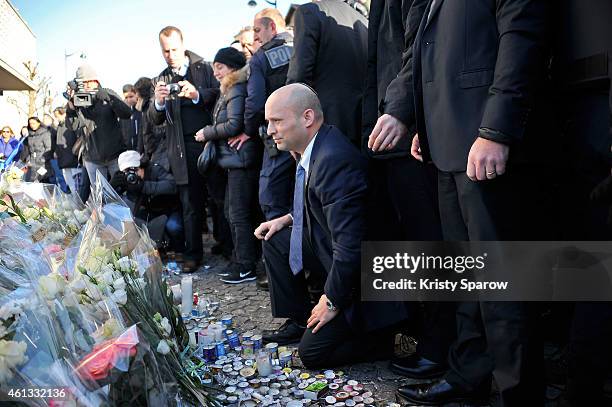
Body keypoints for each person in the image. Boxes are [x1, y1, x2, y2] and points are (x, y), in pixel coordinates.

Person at [368, 1, 550, 405]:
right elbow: (421, 54)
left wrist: (495, 131)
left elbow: (520, 42)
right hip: (447, 145)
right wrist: (413, 118)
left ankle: (516, 393)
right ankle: (469, 375)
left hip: (486, 141)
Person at [255, 84, 400, 368]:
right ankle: (300, 318)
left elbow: (351, 248)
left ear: (307, 118)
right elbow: (323, 206)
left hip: (368, 276)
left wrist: (331, 301)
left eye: (277, 121)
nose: (270, 130)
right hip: (336, 253)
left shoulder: (334, 160)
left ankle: (381, 340)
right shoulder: (315, 148)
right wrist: (288, 218)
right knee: (275, 238)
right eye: (268, 122)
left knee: (312, 355)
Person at [364, 0, 455, 381]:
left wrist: (405, 112)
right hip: (391, 132)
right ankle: (425, 337)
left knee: (429, 246)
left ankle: (439, 347)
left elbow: (417, 47)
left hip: (413, 130)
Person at [147, 26, 220, 273]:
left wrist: (196, 94)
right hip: (181, 149)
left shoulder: (204, 68)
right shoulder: (161, 79)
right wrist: (158, 102)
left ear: (183, 44)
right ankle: (193, 255)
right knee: (189, 204)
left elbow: (220, 94)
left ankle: (230, 248)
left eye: (174, 49)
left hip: (212, 142)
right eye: (165, 51)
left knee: (221, 199)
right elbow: (153, 119)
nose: (170, 55)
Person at [195, 47, 261, 284]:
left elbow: (234, 124)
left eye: (219, 67)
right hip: (234, 160)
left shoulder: (236, 89)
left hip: (241, 160)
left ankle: (246, 266)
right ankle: (241, 259)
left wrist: (207, 133)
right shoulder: (228, 90)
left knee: (238, 214)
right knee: (232, 213)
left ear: (232, 67)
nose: (215, 73)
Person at [286, 0, 368, 146]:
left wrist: (290, 124)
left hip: (324, 124)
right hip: (363, 121)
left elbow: (300, 74)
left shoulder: (309, 12)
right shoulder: (362, 20)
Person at [66, 63, 132, 186]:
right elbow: (72, 126)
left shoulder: (108, 93)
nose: (84, 86)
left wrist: (109, 99)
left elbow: (127, 113)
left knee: (122, 193)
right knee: (100, 196)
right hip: (92, 158)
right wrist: (71, 107)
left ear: (95, 81)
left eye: (87, 82)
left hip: (115, 156)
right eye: (81, 84)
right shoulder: (79, 100)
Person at [110, 150, 184, 253]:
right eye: (127, 172)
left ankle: (179, 249)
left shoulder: (155, 170)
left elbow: (172, 186)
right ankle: (151, 250)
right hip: (150, 212)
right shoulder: (128, 180)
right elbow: (111, 201)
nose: (132, 175)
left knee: (173, 226)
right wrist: (112, 186)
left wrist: (144, 186)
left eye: (134, 170)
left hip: (168, 210)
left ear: (141, 165)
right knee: (129, 223)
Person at [53, 107, 81, 194]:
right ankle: (74, 197)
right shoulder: (60, 125)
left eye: (57, 116)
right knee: (69, 181)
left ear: (63, 114)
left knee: (77, 180)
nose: (56, 118)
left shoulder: (71, 122)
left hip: (73, 157)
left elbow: (78, 138)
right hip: (63, 158)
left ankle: (79, 199)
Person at [22, 117, 53, 182]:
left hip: (43, 162)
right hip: (33, 163)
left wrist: (43, 159)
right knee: (33, 181)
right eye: (30, 123)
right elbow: (29, 149)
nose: (32, 125)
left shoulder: (45, 133)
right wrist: (28, 160)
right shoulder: (30, 135)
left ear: (39, 123)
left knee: (44, 180)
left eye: (34, 123)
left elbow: (49, 148)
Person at [120, 84, 142, 152]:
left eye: (131, 96)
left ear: (136, 95)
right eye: (126, 97)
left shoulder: (142, 110)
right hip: (128, 151)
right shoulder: (122, 114)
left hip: (141, 151)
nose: (129, 100)